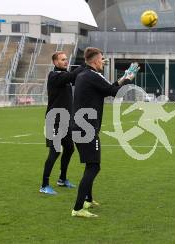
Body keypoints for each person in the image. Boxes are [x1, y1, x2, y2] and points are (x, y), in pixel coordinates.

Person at [70, 47, 137, 218]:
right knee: (94, 166)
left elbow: (108, 88)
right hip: (87, 128)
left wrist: (123, 78)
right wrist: (128, 79)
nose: (103, 61)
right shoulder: (92, 75)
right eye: (101, 59)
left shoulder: (86, 75)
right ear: (94, 60)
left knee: (90, 165)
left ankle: (88, 200)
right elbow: (115, 92)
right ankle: (78, 208)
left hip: (81, 126)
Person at [40, 51, 85, 195]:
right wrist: (87, 62)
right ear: (55, 62)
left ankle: (62, 179)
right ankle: (44, 185)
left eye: (66, 59)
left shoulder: (64, 76)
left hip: (65, 121)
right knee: (55, 151)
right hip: (54, 120)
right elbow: (72, 75)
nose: (66, 61)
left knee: (69, 148)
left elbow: (75, 77)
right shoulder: (54, 76)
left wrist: (92, 67)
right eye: (62, 60)